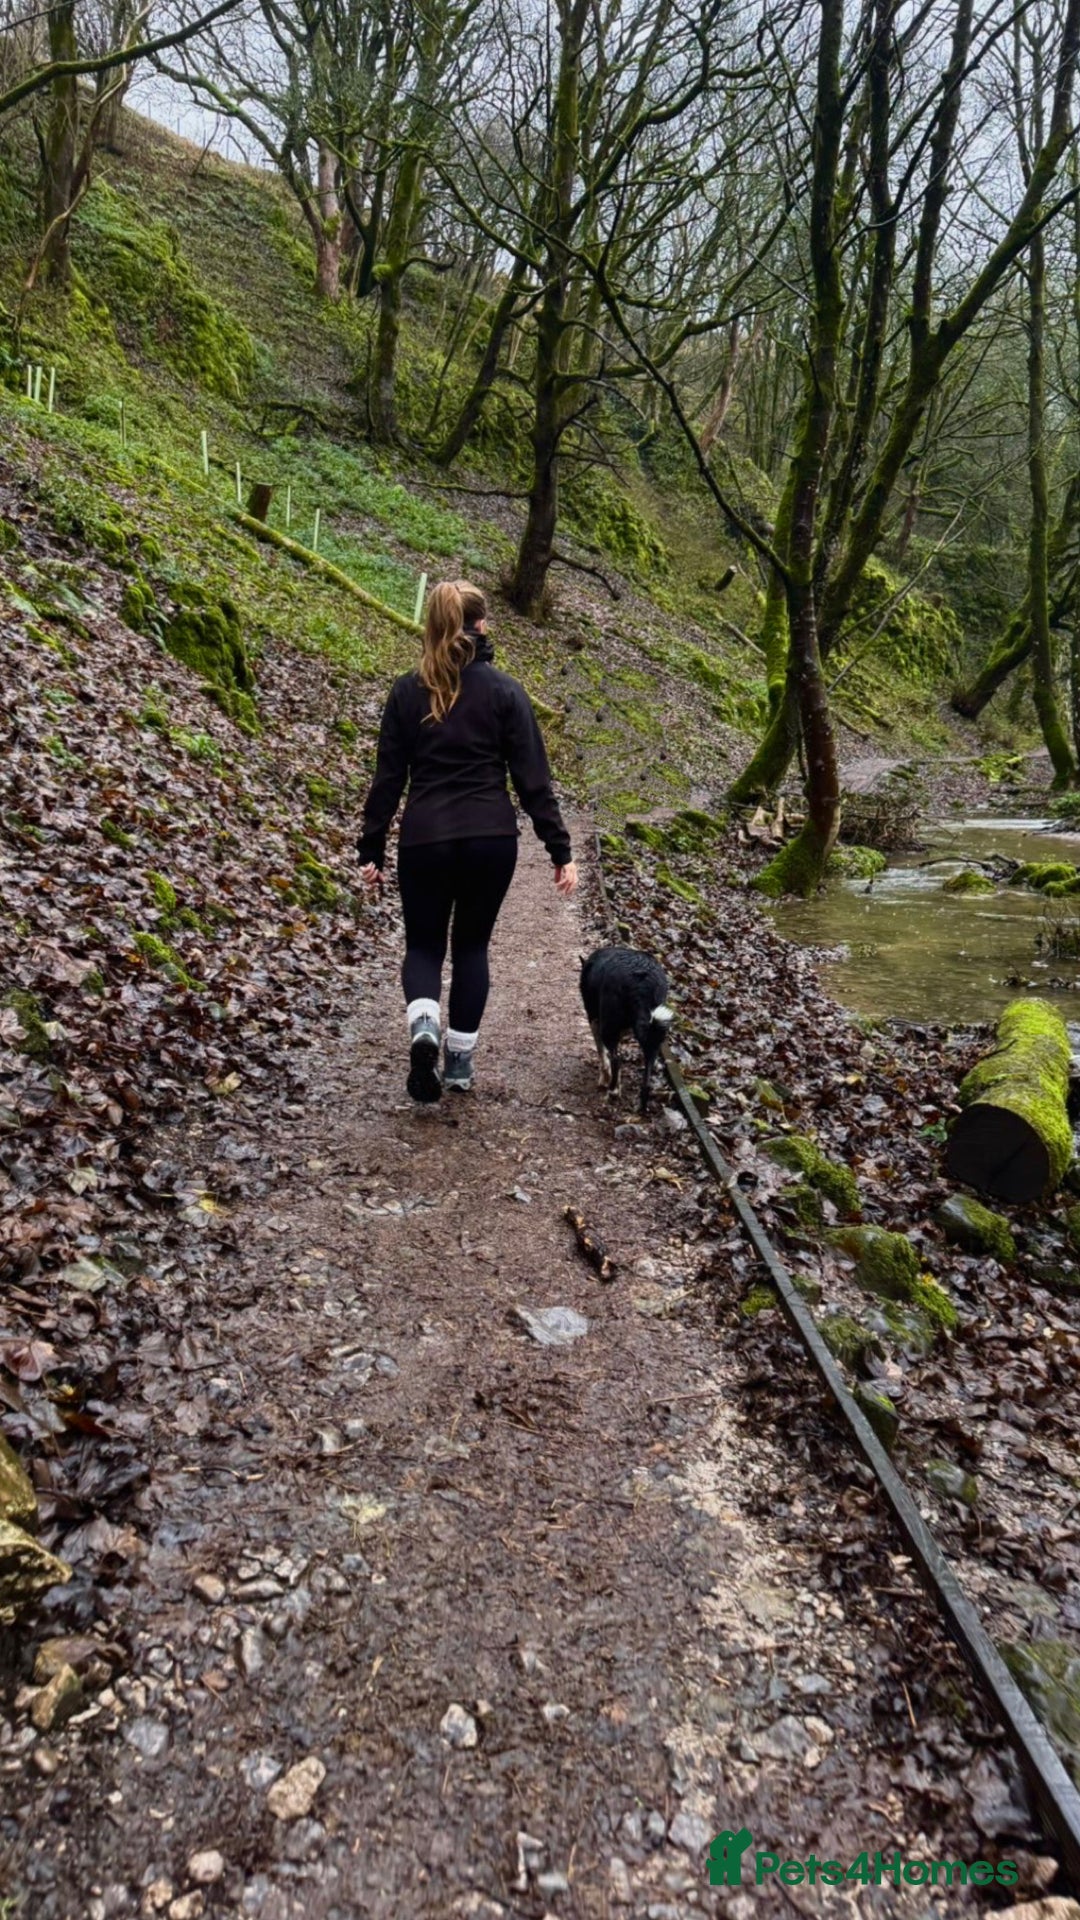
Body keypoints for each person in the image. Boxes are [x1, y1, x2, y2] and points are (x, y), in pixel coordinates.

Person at [357, 580, 577, 1102]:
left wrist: (371, 849)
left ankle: (424, 1026)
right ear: (481, 625)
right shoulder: (505, 691)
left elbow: (388, 780)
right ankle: (457, 1062)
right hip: (490, 838)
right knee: (472, 945)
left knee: (425, 946)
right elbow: (533, 781)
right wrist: (559, 850)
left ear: (432, 625)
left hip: (424, 838)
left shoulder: (407, 691)